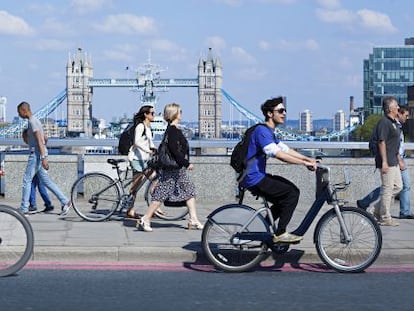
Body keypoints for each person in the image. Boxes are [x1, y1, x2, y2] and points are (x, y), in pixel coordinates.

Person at [240, 97, 316, 243]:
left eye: (285, 110)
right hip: (254, 178)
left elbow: (286, 149)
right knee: (291, 193)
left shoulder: (269, 132)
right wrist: (303, 163)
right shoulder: (262, 131)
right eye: (280, 111)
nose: (284, 113)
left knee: (284, 199)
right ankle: (280, 233)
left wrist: (308, 159)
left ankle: (264, 229)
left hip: (256, 176)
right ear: (270, 114)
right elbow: (278, 155)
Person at [137, 103, 203, 232]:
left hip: (177, 169)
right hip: (174, 168)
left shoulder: (172, 129)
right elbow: (174, 151)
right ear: (175, 114)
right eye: (180, 111)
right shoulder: (173, 131)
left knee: (189, 191)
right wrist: (186, 163)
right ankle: (146, 218)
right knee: (161, 194)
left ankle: (193, 219)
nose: (181, 114)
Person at [357, 105, 413, 219]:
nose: (407, 118)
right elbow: (387, 144)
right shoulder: (389, 124)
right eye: (406, 115)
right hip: (393, 160)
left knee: (392, 187)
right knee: (394, 187)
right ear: (399, 113)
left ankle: (368, 204)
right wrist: (394, 160)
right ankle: (392, 212)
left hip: (396, 159)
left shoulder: (398, 126)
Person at [17, 101, 71, 215]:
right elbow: (45, 138)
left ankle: (24, 208)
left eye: (19, 112)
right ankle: (65, 201)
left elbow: (40, 141)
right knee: (46, 181)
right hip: (40, 153)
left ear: (24, 110)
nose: (19, 115)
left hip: (36, 154)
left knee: (27, 180)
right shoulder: (36, 121)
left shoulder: (32, 122)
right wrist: (43, 153)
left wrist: (43, 157)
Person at [368, 96, 402, 226]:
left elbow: (395, 144)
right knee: (387, 189)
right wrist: (384, 162)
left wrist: (399, 159)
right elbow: (381, 142)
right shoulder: (384, 122)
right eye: (396, 106)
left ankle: (375, 209)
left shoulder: (394, 123)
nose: (398, 107)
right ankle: (385, 217)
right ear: (390, 109)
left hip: (394, 161)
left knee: (398, 187)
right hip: (386, 161)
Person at [123, 105, 156, 219]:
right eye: (152, 113)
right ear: (146, 114)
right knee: (135, 187)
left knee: (154, 179)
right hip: (137, 160)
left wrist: (155, 150)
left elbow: (149, 143)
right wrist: (148, 150)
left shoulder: (148, 127)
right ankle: (130, 210)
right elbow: (136, 142)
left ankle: (156, 206)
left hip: (145, 159)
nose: (154, 115)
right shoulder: (140, 126)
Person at [22, 128, 55, 213]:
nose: (24, 141)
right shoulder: (36, 139)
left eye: (24, 138)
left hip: (37, 162)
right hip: (40, 162)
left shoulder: (34, 140)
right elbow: (46, 138)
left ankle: (33, 205)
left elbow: (45, 138)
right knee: (41, 185)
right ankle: (48, 203)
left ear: (27, 137)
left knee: (31, 184)